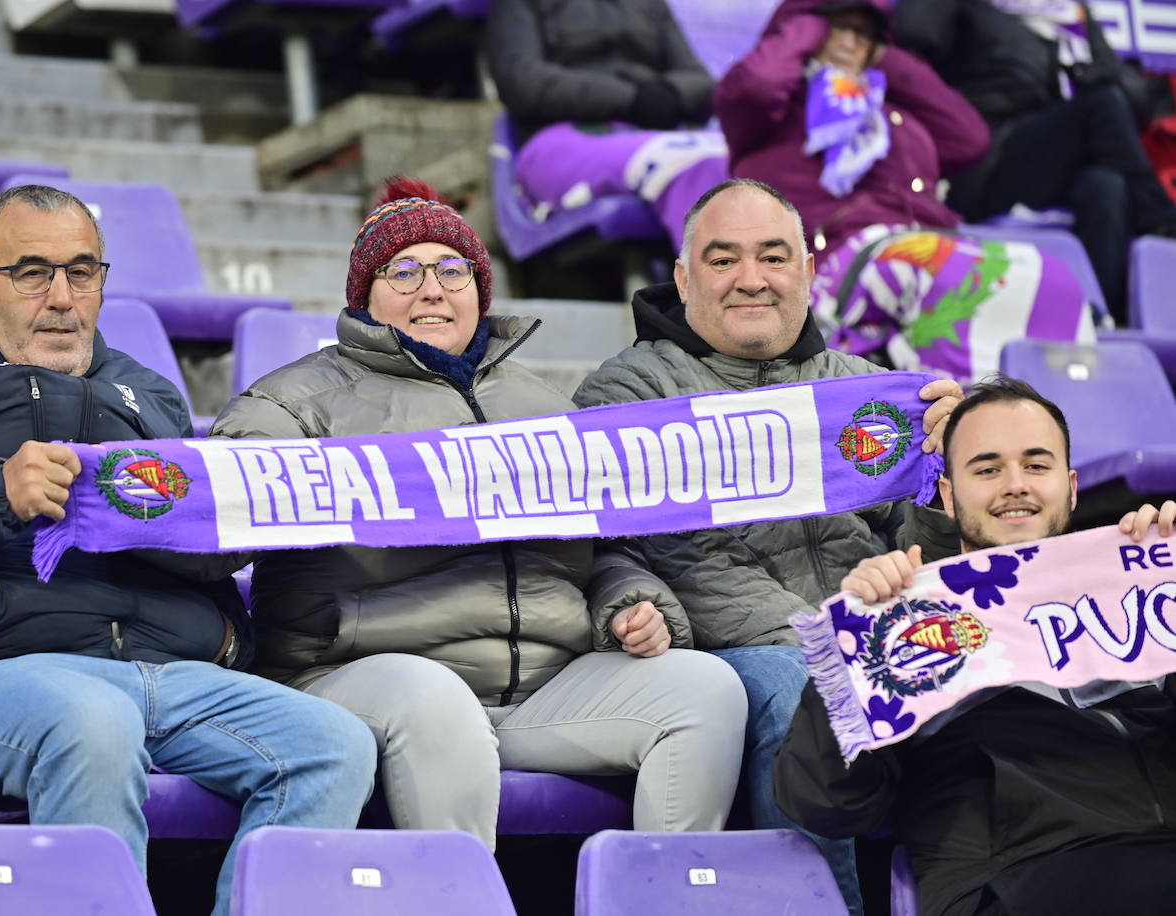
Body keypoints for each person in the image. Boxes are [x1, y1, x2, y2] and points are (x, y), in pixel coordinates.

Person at [0, 185, 376, 916]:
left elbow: (206, 550)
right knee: (92, 724)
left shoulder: (146, 392)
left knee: (334, 746)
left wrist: (218, 528)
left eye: (84, 272)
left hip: (165, 676)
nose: (64, 298)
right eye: (34, 273)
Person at [210, 176, 748, 849]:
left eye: (452, 270)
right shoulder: (294, 403)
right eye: (403, 271)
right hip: (361, 674)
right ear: (365, 298)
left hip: (543, 689)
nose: (431, 289)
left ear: (479, 290)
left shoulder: (546, 405)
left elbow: (607, 544)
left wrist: (628, 602)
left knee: (704, 690)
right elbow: (224, 504)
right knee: (434, 698)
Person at [573, 177, 966, 914]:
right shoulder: (627, 395)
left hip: (872, 633)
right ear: (684, 279)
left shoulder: (873, 390)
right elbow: (673, 556)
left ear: (808, 273)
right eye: (723, 261)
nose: (751, 279)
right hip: (742, 653)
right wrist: (831, 643)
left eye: (772, 256)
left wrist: (949, 480)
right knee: (803, 692)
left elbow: (920, 552)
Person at [773, 376, 1176, 916]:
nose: (1015, 485)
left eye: (1037, 466)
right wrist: (858, 651)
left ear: (1071, 487)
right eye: (987, 469)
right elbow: (826, 804)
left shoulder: (1141, 597)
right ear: (949, 494)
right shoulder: (910, 626)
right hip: (1020, 879)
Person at [716, 0, 1092, 383]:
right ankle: (967, 416)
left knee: (1047, 271)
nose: (850, 41)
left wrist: (885, 58)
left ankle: (1050, 417)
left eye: (863, 33)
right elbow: (758, 84)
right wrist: (808, 30)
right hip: (831, 257)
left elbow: (970, 139)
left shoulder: (890, 109)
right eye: (837, 27)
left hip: (923, 244)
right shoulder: (771, 111)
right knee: (939, 270)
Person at [894, 0, 1176, 323]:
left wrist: (1097, 73)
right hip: (988, 162)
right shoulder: (971, 10)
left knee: (1105, 185)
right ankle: (1162, 223)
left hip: (1053, 162)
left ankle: (1102, 319)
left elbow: (1135, 101)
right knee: (1102, 106)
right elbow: (914, 32)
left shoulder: (1072, 14)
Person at [485, 0, 730, 253]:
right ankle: (717, 286)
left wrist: (671, 93)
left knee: (747, 157)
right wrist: (629, 99)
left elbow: (699, 78)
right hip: (565, 135)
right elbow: (521, 80)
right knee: (693, 164)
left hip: (655, 128)